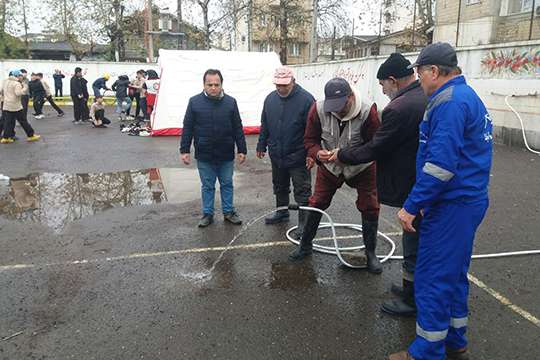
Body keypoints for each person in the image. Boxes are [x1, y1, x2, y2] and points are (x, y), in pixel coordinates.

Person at [389, 43, 493, 360]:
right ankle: (455, 338)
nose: (418, 78)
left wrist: (412, 204)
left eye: (419, 72)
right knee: (453, 273)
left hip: (451, 205)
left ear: (434, 71)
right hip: (466, 201)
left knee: (432, 277)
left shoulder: (447, 103)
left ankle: (426, 351)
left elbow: (440, 166)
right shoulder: (466, 96)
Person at [331, 53, 428, 316]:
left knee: (413, 239)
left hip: (413, 185)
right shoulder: (424, 97)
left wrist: (341, 155)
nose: (383, 91)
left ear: (393, 80)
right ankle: (413, 288)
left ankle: (412, 299)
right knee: (418, 239)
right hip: (423, 182)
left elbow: (376, 147)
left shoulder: (399, 107)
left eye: (383, 85)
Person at [290, 77, 383, 274]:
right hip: (330, 167)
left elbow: (375, 146)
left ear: (350, 96)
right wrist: (316, 153)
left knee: (370, 206)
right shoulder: (318, 109)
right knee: (317, 202)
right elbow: (309, 139)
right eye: (333, 106)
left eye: (341, 105)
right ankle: (305, 245)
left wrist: (346, 155)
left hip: (361, 168)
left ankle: (371, 253)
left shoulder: (367, 111)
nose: (337, 110)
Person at [179, 69, 247, 227]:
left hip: (226, 153)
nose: (213, 87)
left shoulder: (231, 102)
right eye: (210, 84)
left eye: (217, 84)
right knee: (208, 185)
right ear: (204, 85)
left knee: (227, 184)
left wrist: (242, 149)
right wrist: (184, 150)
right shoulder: (194, 102)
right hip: (204, 154)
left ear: (221, 84)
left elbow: (238, 127)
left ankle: (228, 212)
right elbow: (187, 127)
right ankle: (207, 214)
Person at [256, 66, 314, 238]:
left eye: (285, 86)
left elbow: (313, 131)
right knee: (280, 186)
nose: (281, 89)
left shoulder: (306, 100)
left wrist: (311, 153)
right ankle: (282, 212)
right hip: (277, 153)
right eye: (278, 85)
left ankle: (304, 224)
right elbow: (265, 123)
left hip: (298, 155)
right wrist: (261, 145)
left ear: (293, 82)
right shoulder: (270, 99)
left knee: (302, 191)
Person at [1, 69, 41, 144]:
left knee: (8, 122)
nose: (22, 77)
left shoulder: (5, 82)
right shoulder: (16, 84)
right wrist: (25, 88)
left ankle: (6, 138)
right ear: (17, 76)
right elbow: (18, 93)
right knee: (23, 121)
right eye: (21, 75)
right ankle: (31, 135)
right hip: (15, 106)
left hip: (7, 105)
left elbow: (1, 91)